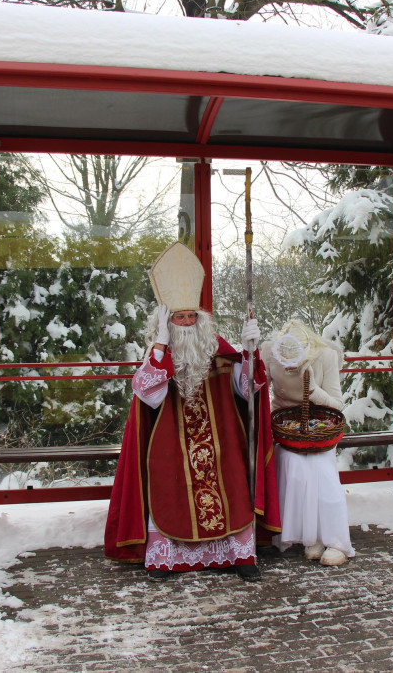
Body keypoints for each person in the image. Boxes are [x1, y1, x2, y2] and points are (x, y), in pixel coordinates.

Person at [104, 242, 280, 582]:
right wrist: (160, 348)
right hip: (172, 445)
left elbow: (248, 392)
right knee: (169, 493)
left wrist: (249, 353)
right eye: (178, 318)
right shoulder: (157, 355)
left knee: (232, 487)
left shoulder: (219, 349)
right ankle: (168, 559)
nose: (185, 323)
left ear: (201, 319)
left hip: (222, 444)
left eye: (190, 317)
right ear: (166, 322)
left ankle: (239, 557)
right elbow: (146, 395)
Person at [262, 320, 354, 567]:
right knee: (292, 465)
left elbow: (337, 404)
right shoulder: (271, 354)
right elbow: (257, 390)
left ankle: (335, 540)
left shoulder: (325, 356)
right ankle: (307, 535)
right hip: (284, 430)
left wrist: (312, 390)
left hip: (320, 428)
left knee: (321, 469)